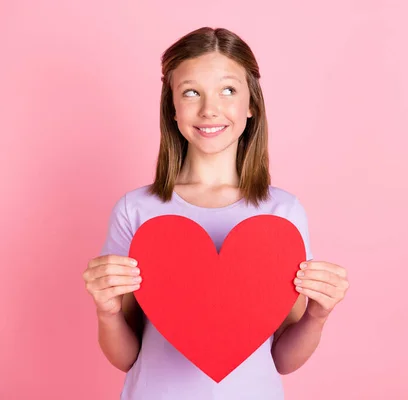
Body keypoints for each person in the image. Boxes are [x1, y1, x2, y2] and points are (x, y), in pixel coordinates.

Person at [81, 26, 349, 399]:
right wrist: (106, 312)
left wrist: (318, 316)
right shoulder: (137, 210)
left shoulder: (281, 214)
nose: (210, 109)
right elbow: (127, 356)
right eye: (191, 92)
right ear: (172, 108)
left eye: (228, 90)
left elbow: (283, 359)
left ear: (251, 104)